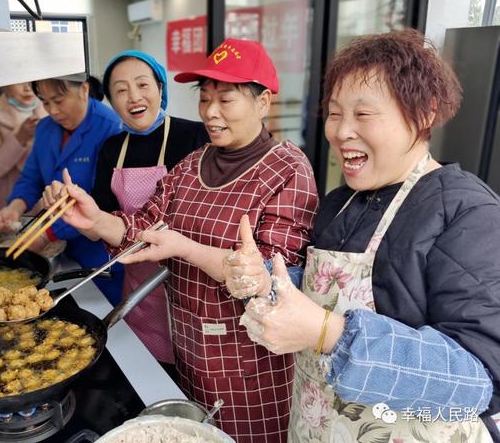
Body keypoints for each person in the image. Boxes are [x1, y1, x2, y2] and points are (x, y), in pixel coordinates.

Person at [224, 29, 500, 442]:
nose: (340, 131)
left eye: (363, 114)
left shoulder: (468, 212)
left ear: (424, 114)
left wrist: (327, 333)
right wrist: (268, 280)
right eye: (335, 114)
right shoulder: (341, 201)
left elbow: (479, 380)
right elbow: (325, 293)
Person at [42, 39, 319, 442]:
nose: (210, 112)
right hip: (187, 347)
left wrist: (186, 248)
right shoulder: (193, 163)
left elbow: (276, 282)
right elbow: (144, 227)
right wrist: (95, 220)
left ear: (264, 102)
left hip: (249, 361)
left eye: (226, 99)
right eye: (204, 99)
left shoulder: (287, 168)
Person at [90, 50, 209, 374]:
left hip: (189, 278)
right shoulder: (112, 148)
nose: (134, 97)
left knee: (195, 369)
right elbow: (102, 215)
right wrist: (79, 214)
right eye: (121, 90)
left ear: (160, 88)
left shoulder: (196, 136)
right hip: (139, 281)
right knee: (150, 370)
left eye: (142, 85)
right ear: (112, 102)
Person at [0, 76, 124, 304]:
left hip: (100, 250)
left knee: (100, 313)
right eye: (45, 102)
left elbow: (102, 200)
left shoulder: (111, 128)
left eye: (58, 100)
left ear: (84, 89)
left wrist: (47, 234)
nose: (52, 111)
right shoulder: (46, 128)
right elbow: (32, 176)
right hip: (64, 251)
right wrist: (16, 206)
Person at [0, 82, 47, 223]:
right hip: (7, 205)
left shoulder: (54, 110)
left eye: (32, 81)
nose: (27, 88)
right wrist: (20, 137)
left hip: (47, 205)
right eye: (20, 82)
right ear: (5, 85)